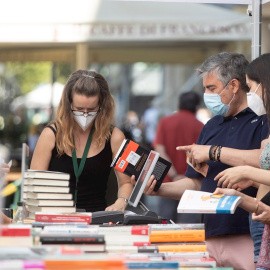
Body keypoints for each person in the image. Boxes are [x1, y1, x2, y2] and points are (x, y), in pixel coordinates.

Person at [140, 52, 269, 270]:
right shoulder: (210, 126)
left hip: (248, 233)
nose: (206, 95)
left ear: (234, 85)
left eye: (211, 88)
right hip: (209, 233)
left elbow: (263, 161)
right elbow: (198, 183)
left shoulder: (262, 122)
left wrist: (213, 152)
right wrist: (160, 189)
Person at [31, 70, 133, 213]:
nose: (85, 114)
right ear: (68, 104)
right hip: (56, 219)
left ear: (102, 106)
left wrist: (121, 202)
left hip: (98, 219)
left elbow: (126, 182)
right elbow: (35, 183)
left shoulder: (115, 137)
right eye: (79, 109)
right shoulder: (51, 134)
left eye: (91, 109)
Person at [151, 91, 204, 222]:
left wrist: (174, 175)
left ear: (179, 104)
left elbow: (160, 151)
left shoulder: (165, 122)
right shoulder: (201, 127)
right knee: (188, 230)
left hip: (167, 183)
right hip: (192, 185)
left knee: (165, 225)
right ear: (197, 107)